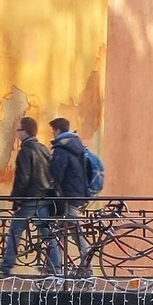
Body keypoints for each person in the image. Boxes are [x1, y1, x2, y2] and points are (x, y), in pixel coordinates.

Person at [0, 117, 61, 276]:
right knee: (47, 233)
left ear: (25, 131)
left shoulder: (26, 151)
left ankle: (5, 267)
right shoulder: (43, 149)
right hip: (43, 198)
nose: (17, 133)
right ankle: (56, 269)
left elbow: (23, 179)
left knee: (14, 231)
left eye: (19, 130)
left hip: (30, 200)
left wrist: (16, 200)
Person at [48, 117, 95, 277]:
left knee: (75, 232)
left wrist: (49, 186)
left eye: (53, 131)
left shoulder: (62, 148)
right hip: (77, 194)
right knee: (60, 231)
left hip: (68, 197)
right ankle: (54, 267)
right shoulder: (77, 146)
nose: (52, 134)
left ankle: (86, 266)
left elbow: (56, 173)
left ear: (58, 130)